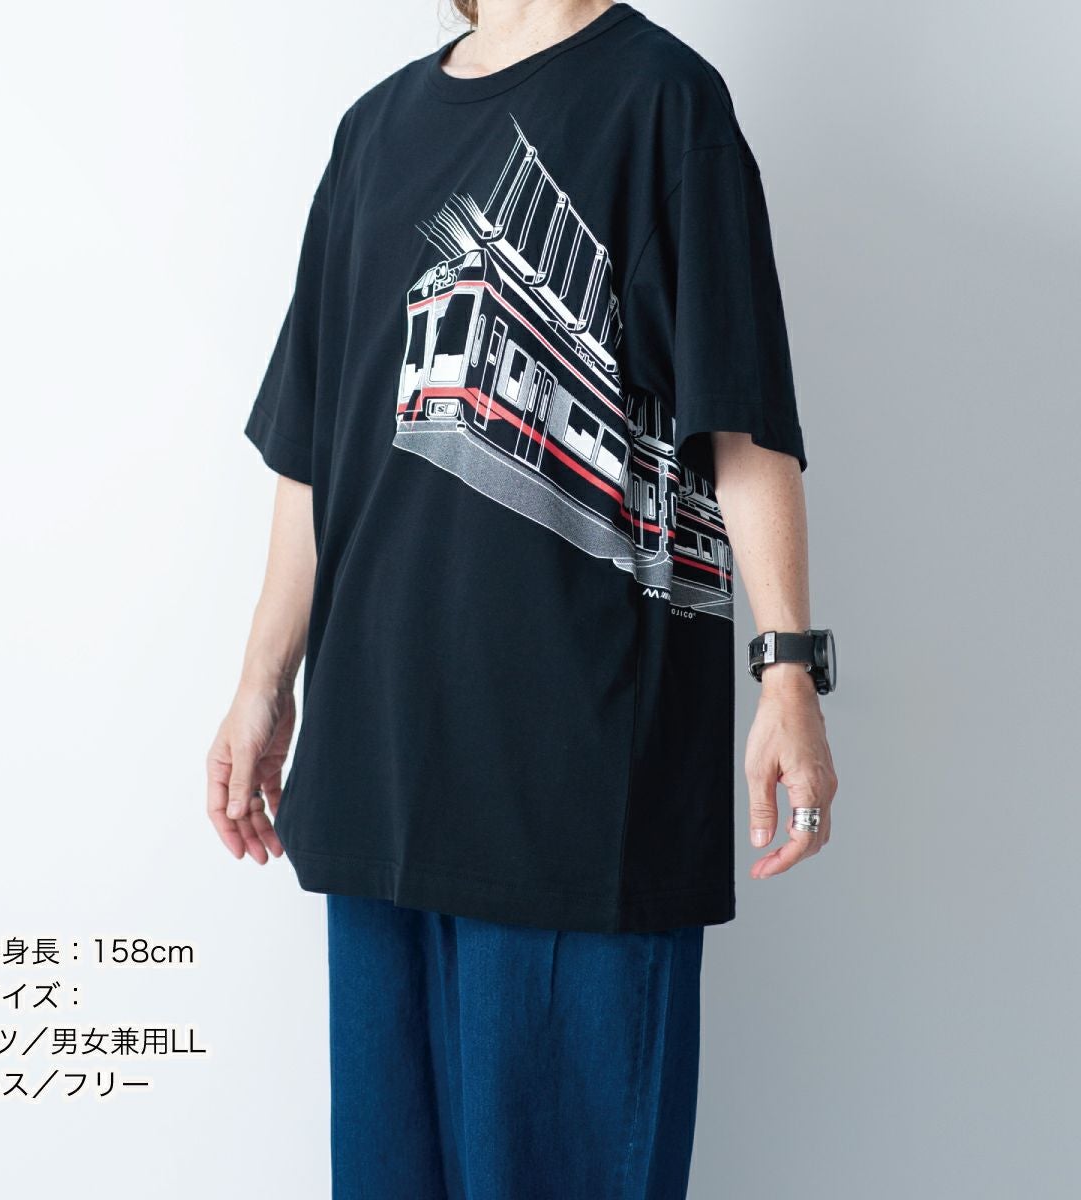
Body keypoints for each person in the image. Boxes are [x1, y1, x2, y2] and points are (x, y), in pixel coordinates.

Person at [207, 2, 839, 1196]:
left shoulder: (667, 104)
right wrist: (260, 684)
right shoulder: (372, 131)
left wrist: (790, 670)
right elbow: (311, 449)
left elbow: (743, 422)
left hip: (579, 789)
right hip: (379, 776)